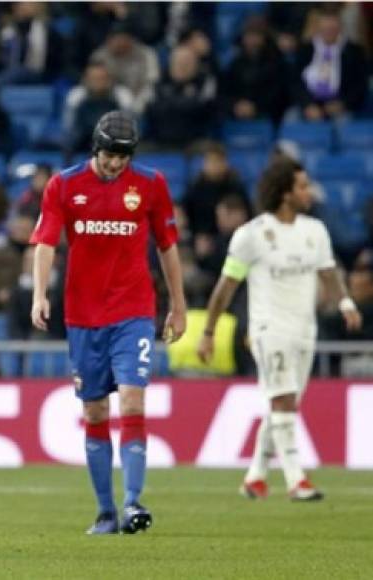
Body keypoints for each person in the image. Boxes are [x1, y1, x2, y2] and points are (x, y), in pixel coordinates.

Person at [30, 111, 187, 535]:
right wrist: (40, 293)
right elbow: (45, 242)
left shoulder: (151, 185)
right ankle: (105, 511)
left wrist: (178, 303)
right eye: (111, 155)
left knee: (133, 402)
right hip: (82, 314)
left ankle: (134, 503)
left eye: (125, 156)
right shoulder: (64, 184)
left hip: (133, 310)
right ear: (95, 148)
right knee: (95, 409)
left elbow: (167, 246)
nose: (118, 164)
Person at [196, 157, 362, 501]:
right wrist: (208, 331)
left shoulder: (314, 231)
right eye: (302, 186)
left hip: (304, 329)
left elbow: (329, 272)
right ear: (285, 193)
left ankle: (255, 476)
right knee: (283, 400)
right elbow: (225, 287)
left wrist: (345, 303)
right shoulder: (251, 235)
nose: (308, 191)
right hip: (268, 329)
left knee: (284, 404)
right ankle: (296, 479)